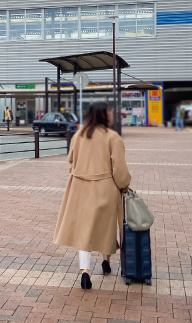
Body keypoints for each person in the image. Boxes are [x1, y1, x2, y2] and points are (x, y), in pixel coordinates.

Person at [53, 102, 131, 289]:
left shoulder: (79, 135)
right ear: (104, 115)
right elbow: (119, 170)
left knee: (84, 229)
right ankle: (106, 262)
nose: (112, 114)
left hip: (80, 188)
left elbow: (71, 160)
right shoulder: (112, 138)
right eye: (110, 111)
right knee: (107, 226)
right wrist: (124, 185)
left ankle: (85, 271)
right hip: (104, 187)